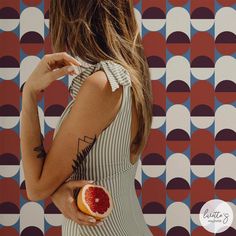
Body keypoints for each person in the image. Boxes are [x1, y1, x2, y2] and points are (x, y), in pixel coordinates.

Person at [20, 0, 153, 235]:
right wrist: (60, 191)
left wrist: (29, 95)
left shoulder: (103, 85)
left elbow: (37, 187)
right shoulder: (129, 77)